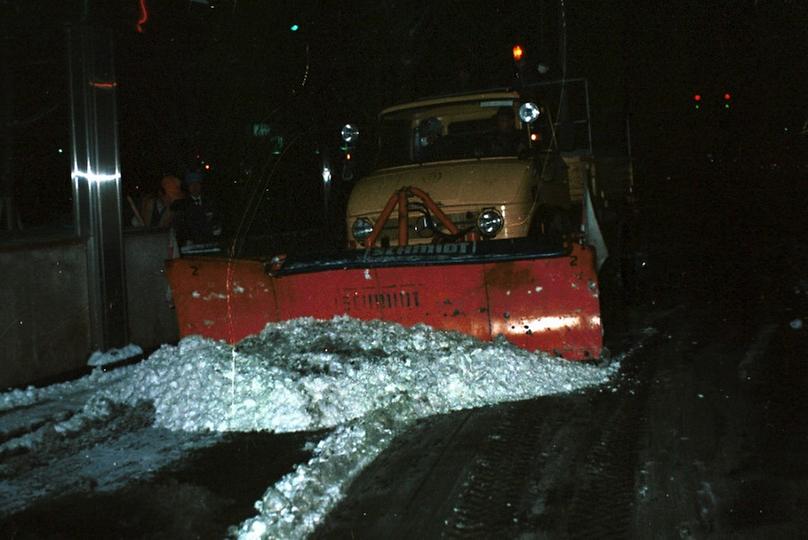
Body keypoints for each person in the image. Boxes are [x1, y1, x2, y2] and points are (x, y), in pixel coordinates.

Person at [171, 171, 222, 246]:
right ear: (188, 187)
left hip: (210, 242)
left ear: (201, 185)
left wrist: (217, 228)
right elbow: (179, 225)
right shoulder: (181, 205)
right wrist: (186, 239)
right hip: (191, 244)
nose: (195, 187)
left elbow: (217, 218)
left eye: (197, 184)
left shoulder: (210, 202)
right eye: (191, 184)